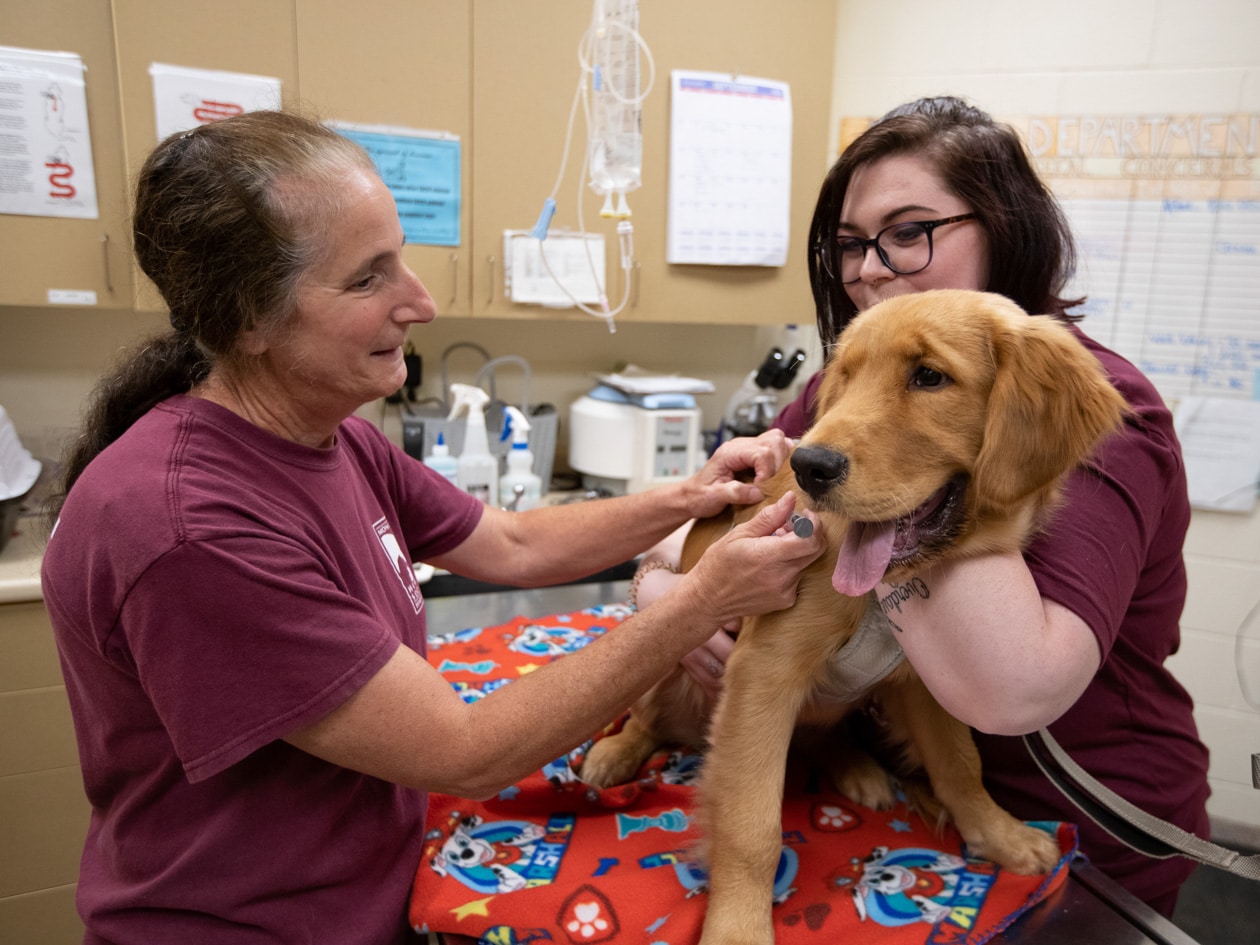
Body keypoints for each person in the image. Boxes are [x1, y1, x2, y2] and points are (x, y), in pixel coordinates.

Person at [39, 109, 826, 945]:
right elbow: (465, 749)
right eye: (368, 278)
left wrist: (686, 497)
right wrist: (703, 599)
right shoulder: (188, 526)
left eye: (402, 258)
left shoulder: (332, 436)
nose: (422, 300)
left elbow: (512, 543)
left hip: (379, 895)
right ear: (250, 321)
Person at [636, 96, 1210, 916]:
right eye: (848, 244)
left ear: (1006, 228)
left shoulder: (1096, 410)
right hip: (893, 817)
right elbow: (710, 518)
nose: (869, 268)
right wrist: (667, 594)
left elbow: (1008, 689)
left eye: (908, 231)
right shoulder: (853, 383)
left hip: (1087, 833)